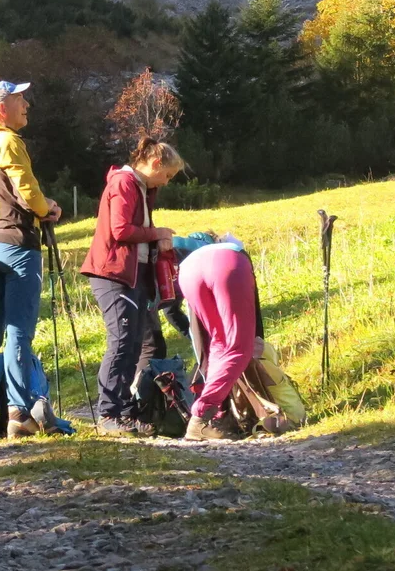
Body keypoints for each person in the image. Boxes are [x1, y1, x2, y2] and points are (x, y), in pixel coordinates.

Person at [0, 80, 63, 441]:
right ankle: (19, 414)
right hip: (18, 244)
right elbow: (26, 189)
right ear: (2, 108)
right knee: (19, 331)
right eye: (20, 99)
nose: (27, 104)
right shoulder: (7, 141)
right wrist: (46, 207)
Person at [81, 139, 185, 437]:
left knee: (135, 342)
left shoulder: (142, 187)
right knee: (122, 341)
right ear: (154, 164)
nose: (166, 182)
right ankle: (108, 413)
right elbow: (120, 229)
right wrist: (158, 233)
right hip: (112, 272)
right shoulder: (124, 183)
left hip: (135, 274)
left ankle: (125, 411)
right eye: (167, 175)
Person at [177, 234, 260, 441]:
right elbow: (254, 322)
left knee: (218, 343)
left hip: (187, 270)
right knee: (239, 347)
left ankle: (217, 417)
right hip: (228, 266)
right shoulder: (235, 249)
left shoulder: (202, 249)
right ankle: (201, 416)